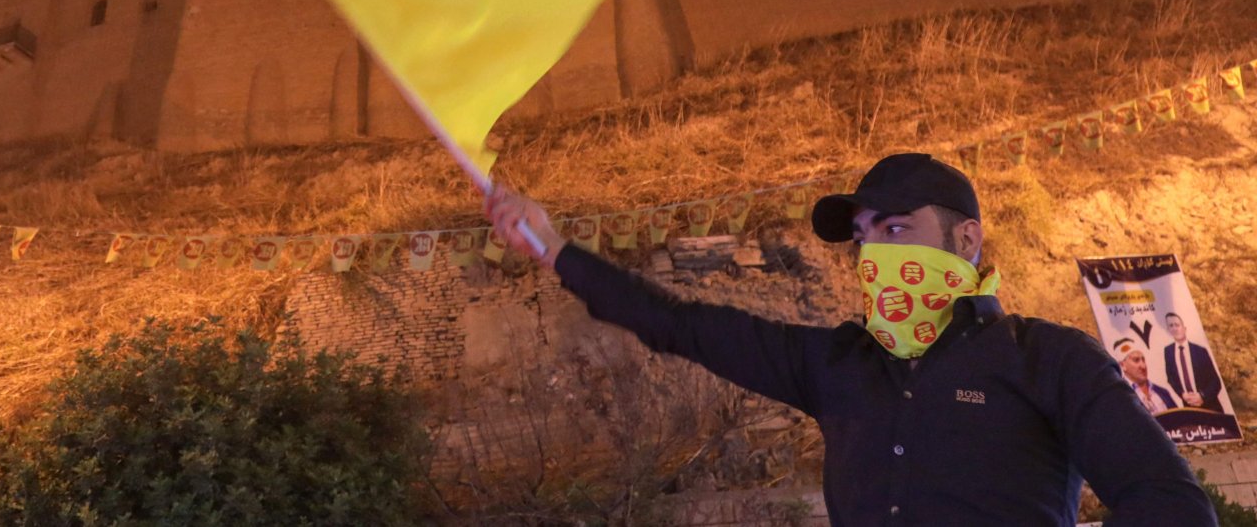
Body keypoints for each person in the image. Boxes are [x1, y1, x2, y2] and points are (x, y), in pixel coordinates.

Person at [486, 152, 1214, 526]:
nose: (876, 253)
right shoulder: (833, 363)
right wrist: (555, 249)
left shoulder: (1048, 357)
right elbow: (682, 324)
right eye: (864, 237)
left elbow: (1170, 505)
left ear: (967, 237)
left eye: (897, 228)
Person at [1162, 311, 1225, 412]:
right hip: (1189, 407)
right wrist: (1182, 394)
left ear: (1184, 328)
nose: (1174, 328)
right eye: (1171, 325)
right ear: (1168, 329)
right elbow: (1171, 377)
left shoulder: (1200, 351)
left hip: (1210, 406)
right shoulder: (1168, 351)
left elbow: (1215, 382)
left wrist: (1202, 396)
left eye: (1177, 325)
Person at [1113, 337, 1176, 413]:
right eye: (1136, 360)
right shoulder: (1121, 399)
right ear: (1122, 365)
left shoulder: (1163, 392)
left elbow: (1181, 420)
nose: (1143, 366)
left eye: (1143, 359)